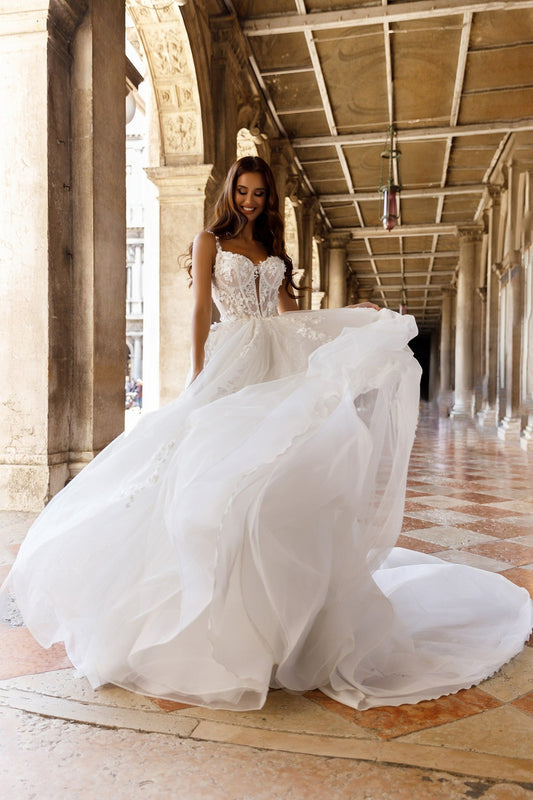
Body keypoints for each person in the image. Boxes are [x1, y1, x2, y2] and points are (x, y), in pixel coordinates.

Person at [3, 157, 531, 712]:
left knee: (277, 481)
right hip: (231, 364)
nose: (250, 200)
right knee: (208, 482)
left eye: (258, 193)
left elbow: (293, 317)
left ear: (268, 198)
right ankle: (205, 621)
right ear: (230, 191)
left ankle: (285, 628)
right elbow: (201, 310)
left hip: (277, 367)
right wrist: (198, 371)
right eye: (243, 190)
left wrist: (351, 316)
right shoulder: (209, 239)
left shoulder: (276, 252)